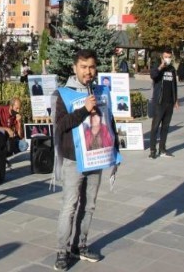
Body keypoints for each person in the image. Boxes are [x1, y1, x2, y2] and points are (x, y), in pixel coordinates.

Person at [50, 49, 120, 270]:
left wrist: (115, 148)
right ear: (74, 68)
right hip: (73, 159)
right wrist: (83, 110)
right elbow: (60, 126)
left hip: (96, 156)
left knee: (89, 206)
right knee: (69, 207)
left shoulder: (101, 91)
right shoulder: (63, 94)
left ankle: (80, 246)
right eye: (83, 67)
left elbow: (109, 121)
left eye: (91, 67)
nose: (88, 72)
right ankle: (62, 251)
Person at [150, 48, 179, 158]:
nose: (168, 59)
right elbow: (153, 75)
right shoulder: (157, 66)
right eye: (166, 57)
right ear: (162, 57)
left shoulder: (172, 69)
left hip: (169, 102)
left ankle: (162, 149)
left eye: (169, 57)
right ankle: (153, 150)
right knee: (155, 127)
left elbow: (174, 85)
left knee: (165, 127)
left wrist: (175, 99)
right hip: (159, 101)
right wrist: (160, 67)